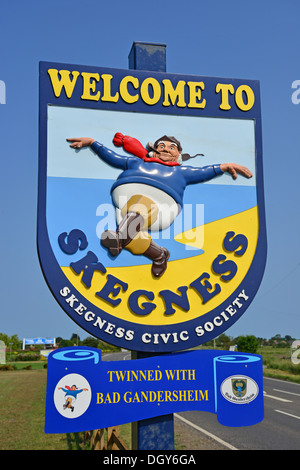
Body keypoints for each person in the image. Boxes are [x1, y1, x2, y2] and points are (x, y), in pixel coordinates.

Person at [67, 133, 252, 277]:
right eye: (161, 146)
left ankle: (119, 237)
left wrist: (224, 166)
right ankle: (158, 255)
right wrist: (92, 143)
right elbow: (113, 157)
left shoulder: (182, 172)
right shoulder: (135, 162)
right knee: (132, 238)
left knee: (140, 205)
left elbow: (203, 171)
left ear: (178, 154)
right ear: (154, 150)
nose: (165, 149)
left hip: (163, 206)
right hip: (125, 204)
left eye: (172, 147)